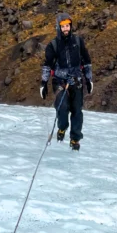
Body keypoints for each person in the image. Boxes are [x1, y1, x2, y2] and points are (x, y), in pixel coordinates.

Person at [40, 12, 93, 150]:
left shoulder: (78, 41)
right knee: (62, 108)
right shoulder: (53, 45)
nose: (66, 29)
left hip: (76, 81)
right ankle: (62, 128)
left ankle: (75, 139)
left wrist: (89, 79)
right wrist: (43, 83)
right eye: (63, 26)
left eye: (68, 26)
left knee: (77, 111)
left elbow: (87, 61)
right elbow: (47, 65)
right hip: (60, 82)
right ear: (58, 27)